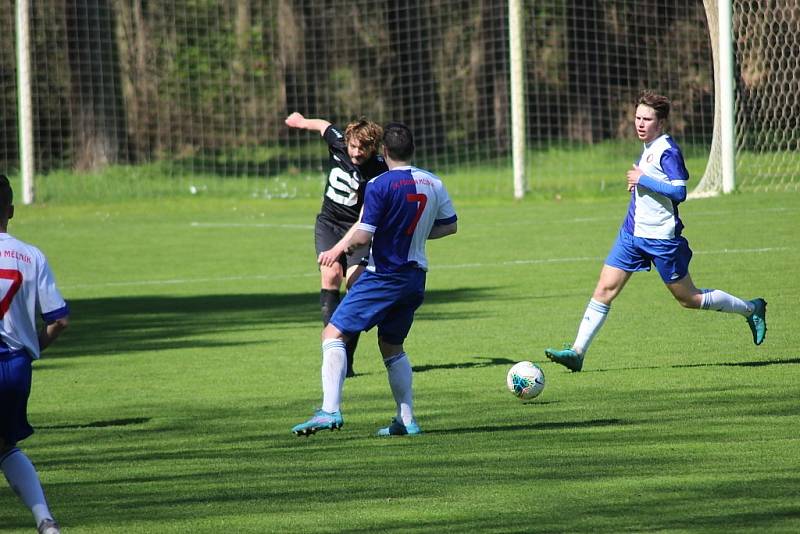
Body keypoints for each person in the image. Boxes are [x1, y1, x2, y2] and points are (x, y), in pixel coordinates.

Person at [544, 91, 767, 372]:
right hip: (632, 234)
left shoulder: (668, 151)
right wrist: (639, 184)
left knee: (689, 298)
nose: (640, 123)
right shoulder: (648, 146)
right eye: (637, 117)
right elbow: (651, 181)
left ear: (660, 124)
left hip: (662, 239)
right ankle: (577, 353)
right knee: (604, 289)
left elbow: (679, 191)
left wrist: (643, 179)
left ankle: (751, 308)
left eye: (647, 119)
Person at [292, 122, 458, 437]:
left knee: (332, 334)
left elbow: (364, 233)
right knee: (392, 346)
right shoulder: (433, 182)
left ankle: (329, 410)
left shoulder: (379, 184)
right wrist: (416, 233)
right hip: (415, 279)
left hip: (385, 276)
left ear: (383, 151)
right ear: (412, 150)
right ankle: (406, 420)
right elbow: (449, 226)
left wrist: (338, 248)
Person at [285, 112, 388, 378]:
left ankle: (346, 361)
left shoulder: (379, 170)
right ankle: (332, 353)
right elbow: (323, 126)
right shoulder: (339, 142)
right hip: (329, 224)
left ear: (372, 147)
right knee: (331, 274)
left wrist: (339, 249)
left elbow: (365, 218)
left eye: (362, 148)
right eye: (353, 146)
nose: (355, 152)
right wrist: (301, 122)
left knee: (355, 285)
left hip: (359, 231)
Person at [0, 174, 69, 534]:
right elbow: (59, 320)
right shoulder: (31, 255)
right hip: (15, 366)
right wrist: (30, 348)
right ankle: (45, 521)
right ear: (10, 210)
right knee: (5, 445)